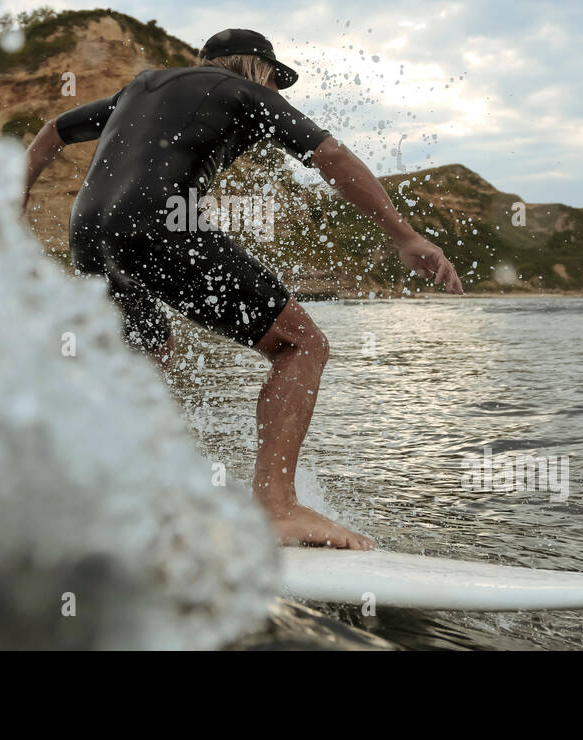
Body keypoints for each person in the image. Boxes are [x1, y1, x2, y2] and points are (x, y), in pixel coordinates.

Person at [23, 28, 463, 549]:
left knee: (149, 353)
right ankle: (277, 508)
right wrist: (405, 236)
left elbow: (52, 131)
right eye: (275, 80)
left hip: (90, 232)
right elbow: (332, 156)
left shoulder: (140, 88)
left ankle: (110, 492)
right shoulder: (243, 91)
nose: (277, 92)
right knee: (303, 345)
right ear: (258, 70)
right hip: (157, 223)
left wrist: (17, 196)